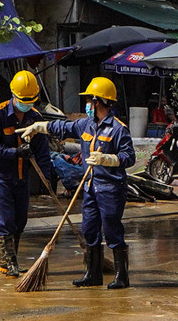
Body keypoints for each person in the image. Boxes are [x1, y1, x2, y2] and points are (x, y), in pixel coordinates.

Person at [18, 77, 136, 289]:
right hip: (90, 187)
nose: (87, 105)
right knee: (89, 229)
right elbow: (62, 127)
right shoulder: (86, 124)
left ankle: (122, 276)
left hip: (110, 188)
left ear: (98, 101)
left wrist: (109, 160)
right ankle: (93, 273)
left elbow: (129, 157)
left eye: (89, 101)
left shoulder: (118, 129)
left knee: (112, 230)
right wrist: (39, 126)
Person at [0, 71, 55, 277]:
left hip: (22, 177)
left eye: (30, 101)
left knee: (20, 220)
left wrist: (47, 177)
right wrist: (15, 152)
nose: (26, 105)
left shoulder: (35, 117)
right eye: (23, 101)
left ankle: (6, 261)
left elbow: (42, 151)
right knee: (6, 220)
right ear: (13, 95)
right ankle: (11, 263)